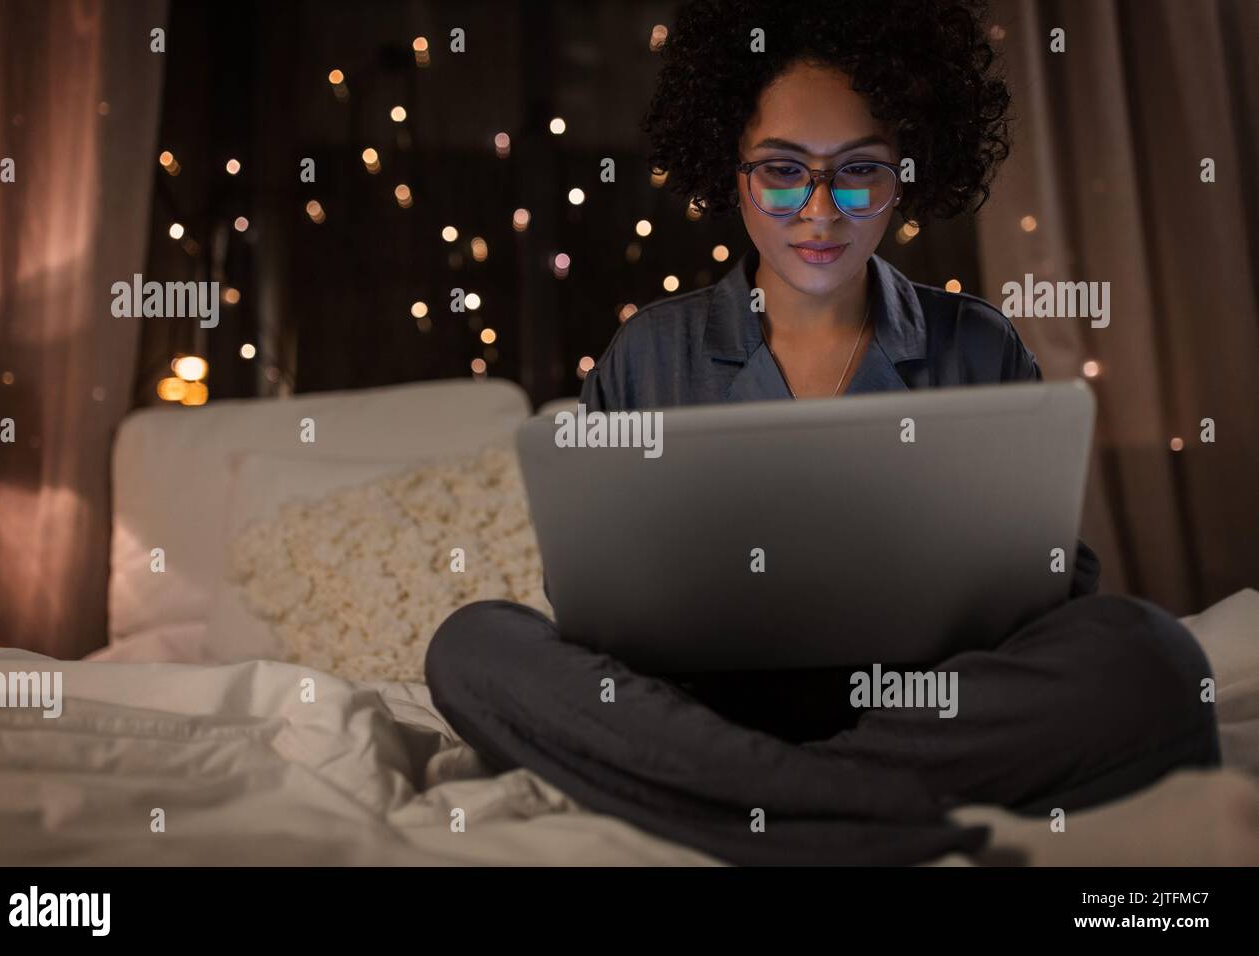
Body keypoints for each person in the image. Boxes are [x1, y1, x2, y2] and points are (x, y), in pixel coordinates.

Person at [425, 0, 1220, 865]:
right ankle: (861, 816)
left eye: (859, 172)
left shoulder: (979, 344)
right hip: (699, 711)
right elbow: (590, 608)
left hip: (923, 710)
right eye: (781, 171)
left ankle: (768, 808)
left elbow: (1054, 591)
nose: (820, 211)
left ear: (904, 176)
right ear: (731, 171)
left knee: (1154, 659)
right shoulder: (649, 352)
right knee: (472, 646)